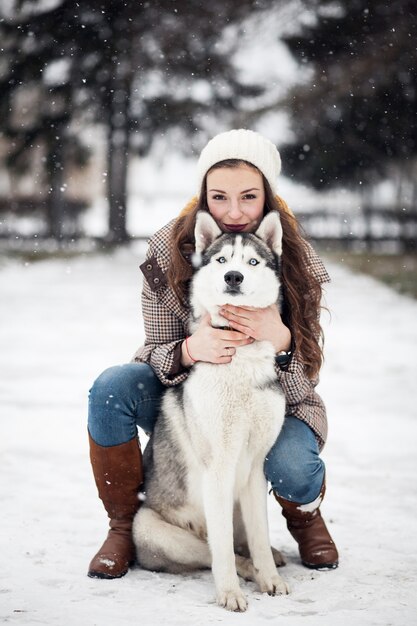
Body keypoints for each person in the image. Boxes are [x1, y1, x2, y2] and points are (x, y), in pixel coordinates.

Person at [87, 128, 339, 580]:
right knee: (112, 387)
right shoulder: (169, 251)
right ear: (203, 195)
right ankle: (125, 525)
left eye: (249, 196)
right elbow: (151, 351)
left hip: (276, 391)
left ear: (269, 198)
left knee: (291, 464)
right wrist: (188, 349)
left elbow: (311, 374)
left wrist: (280, 340)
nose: (235, 212)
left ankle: (304, 517)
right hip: (190, 390)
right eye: (219, 197)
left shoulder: (292, 257)